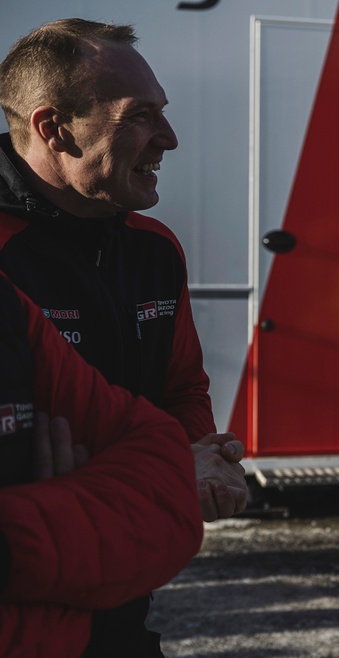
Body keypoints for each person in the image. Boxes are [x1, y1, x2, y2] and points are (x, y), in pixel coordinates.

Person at [0, 18, 248, 655]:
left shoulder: (154, 248)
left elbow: (182, 388)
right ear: (53, 128)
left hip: (122, 588)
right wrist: (160, 475)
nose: (169, 138)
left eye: (162, 113)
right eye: (139, 116)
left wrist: (198, 464)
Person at [0, 271, 204, 656]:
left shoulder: (7, 306)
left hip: (117, 626)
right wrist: (74, 516)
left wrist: (14, 549)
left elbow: (167, 495)